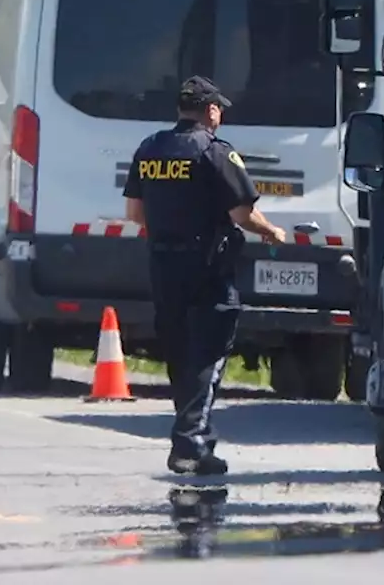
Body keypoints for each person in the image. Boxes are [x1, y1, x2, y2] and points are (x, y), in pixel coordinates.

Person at [123, 76, 288, 475]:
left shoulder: (150, 148)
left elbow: (134, 214)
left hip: (162, 265)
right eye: (220, 110)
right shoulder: (216, 153)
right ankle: (190, 443)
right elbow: (241, 214)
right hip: (207, 267)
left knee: (180, 354)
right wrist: (272, 232)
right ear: (211, 111)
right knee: (209, 353)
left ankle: (194, 440)